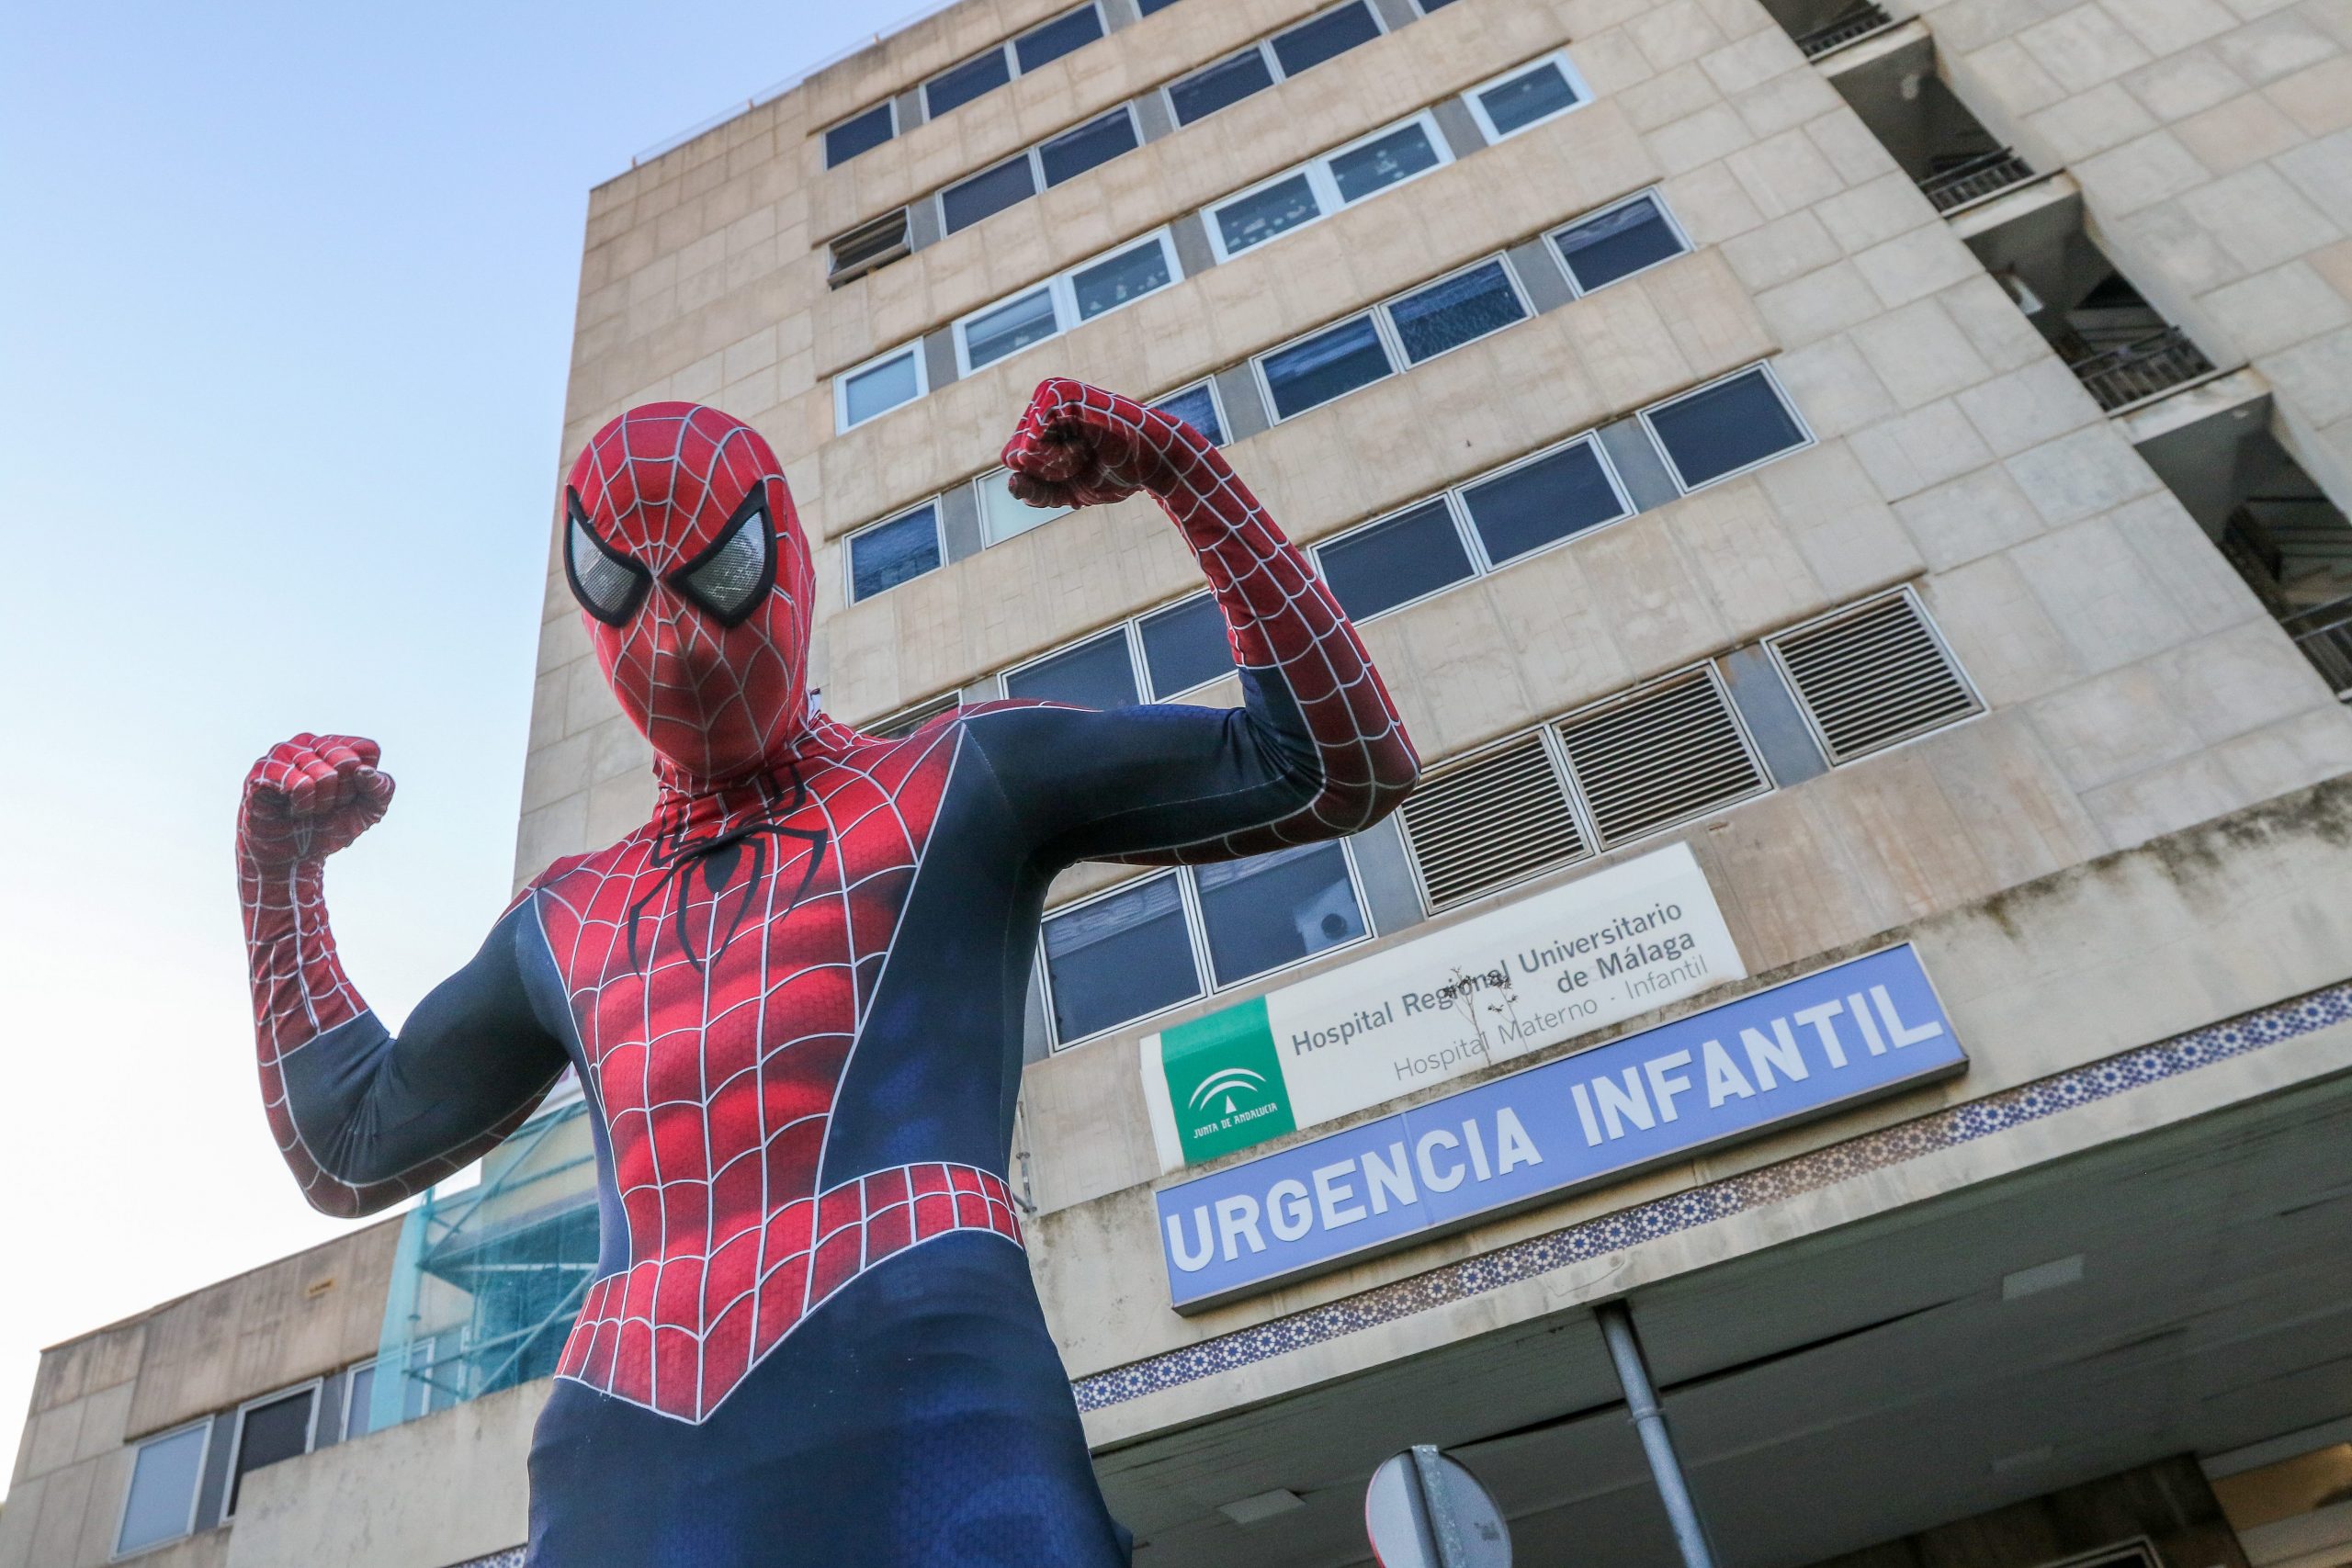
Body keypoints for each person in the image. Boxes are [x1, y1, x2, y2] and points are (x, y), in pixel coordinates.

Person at [234, 378, 1419, 1565]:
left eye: (718, 568)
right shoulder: (570, 916)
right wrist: (276, 878)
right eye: (619, 583)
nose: (675, 633)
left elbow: (1333, 761)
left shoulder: (958, 782)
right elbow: (350, 1141)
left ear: (785, 563)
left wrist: (1185, 473)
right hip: (636, 1437)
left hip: (924, 1384)